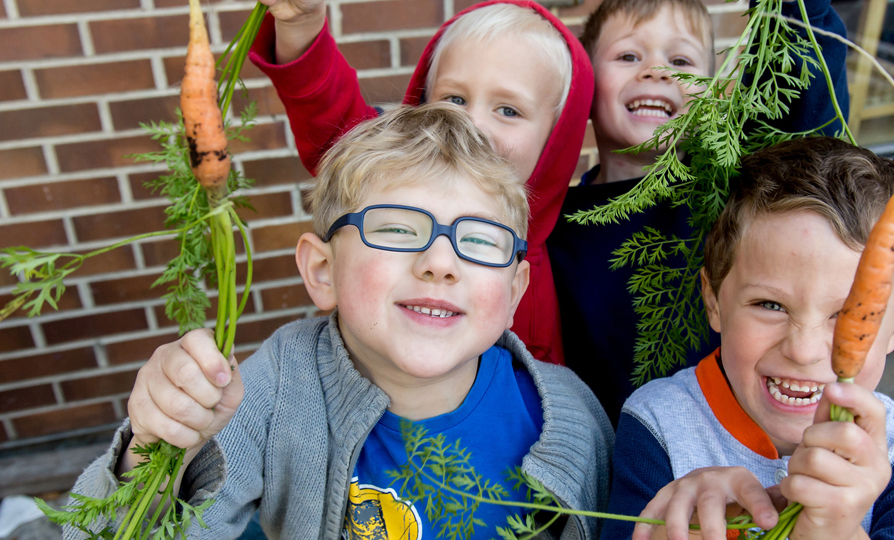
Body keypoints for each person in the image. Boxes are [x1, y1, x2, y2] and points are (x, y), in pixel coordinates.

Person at [65, 104, 614, 540]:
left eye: (478, 242)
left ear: (515, 291)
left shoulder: (567, 419)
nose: (441, 263)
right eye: (398, 230)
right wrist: (157, 448)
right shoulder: (272, 394)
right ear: (323, 270)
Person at [548, 0, 851, 425]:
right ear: (585, 81)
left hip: (732, 450)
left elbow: (802, 109)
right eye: (629, 56)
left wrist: (798, 10)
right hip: (606, 463)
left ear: (709, 91)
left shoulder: (729, 188)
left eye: (680, 60)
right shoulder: (554, 222)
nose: (656, 70)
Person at [248, 0, 593, 364]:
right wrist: (302, 28)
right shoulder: (394, 179)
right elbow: (337, 127)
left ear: (558, 135)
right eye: (454, 98)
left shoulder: (572, 252)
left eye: (508, 110)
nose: (471, 122)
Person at [601, 137, 894, 540]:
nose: (803, 350)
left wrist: (837, 530)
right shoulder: (658, 425)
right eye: (770, 305)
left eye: (848, 315)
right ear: (714, 301)